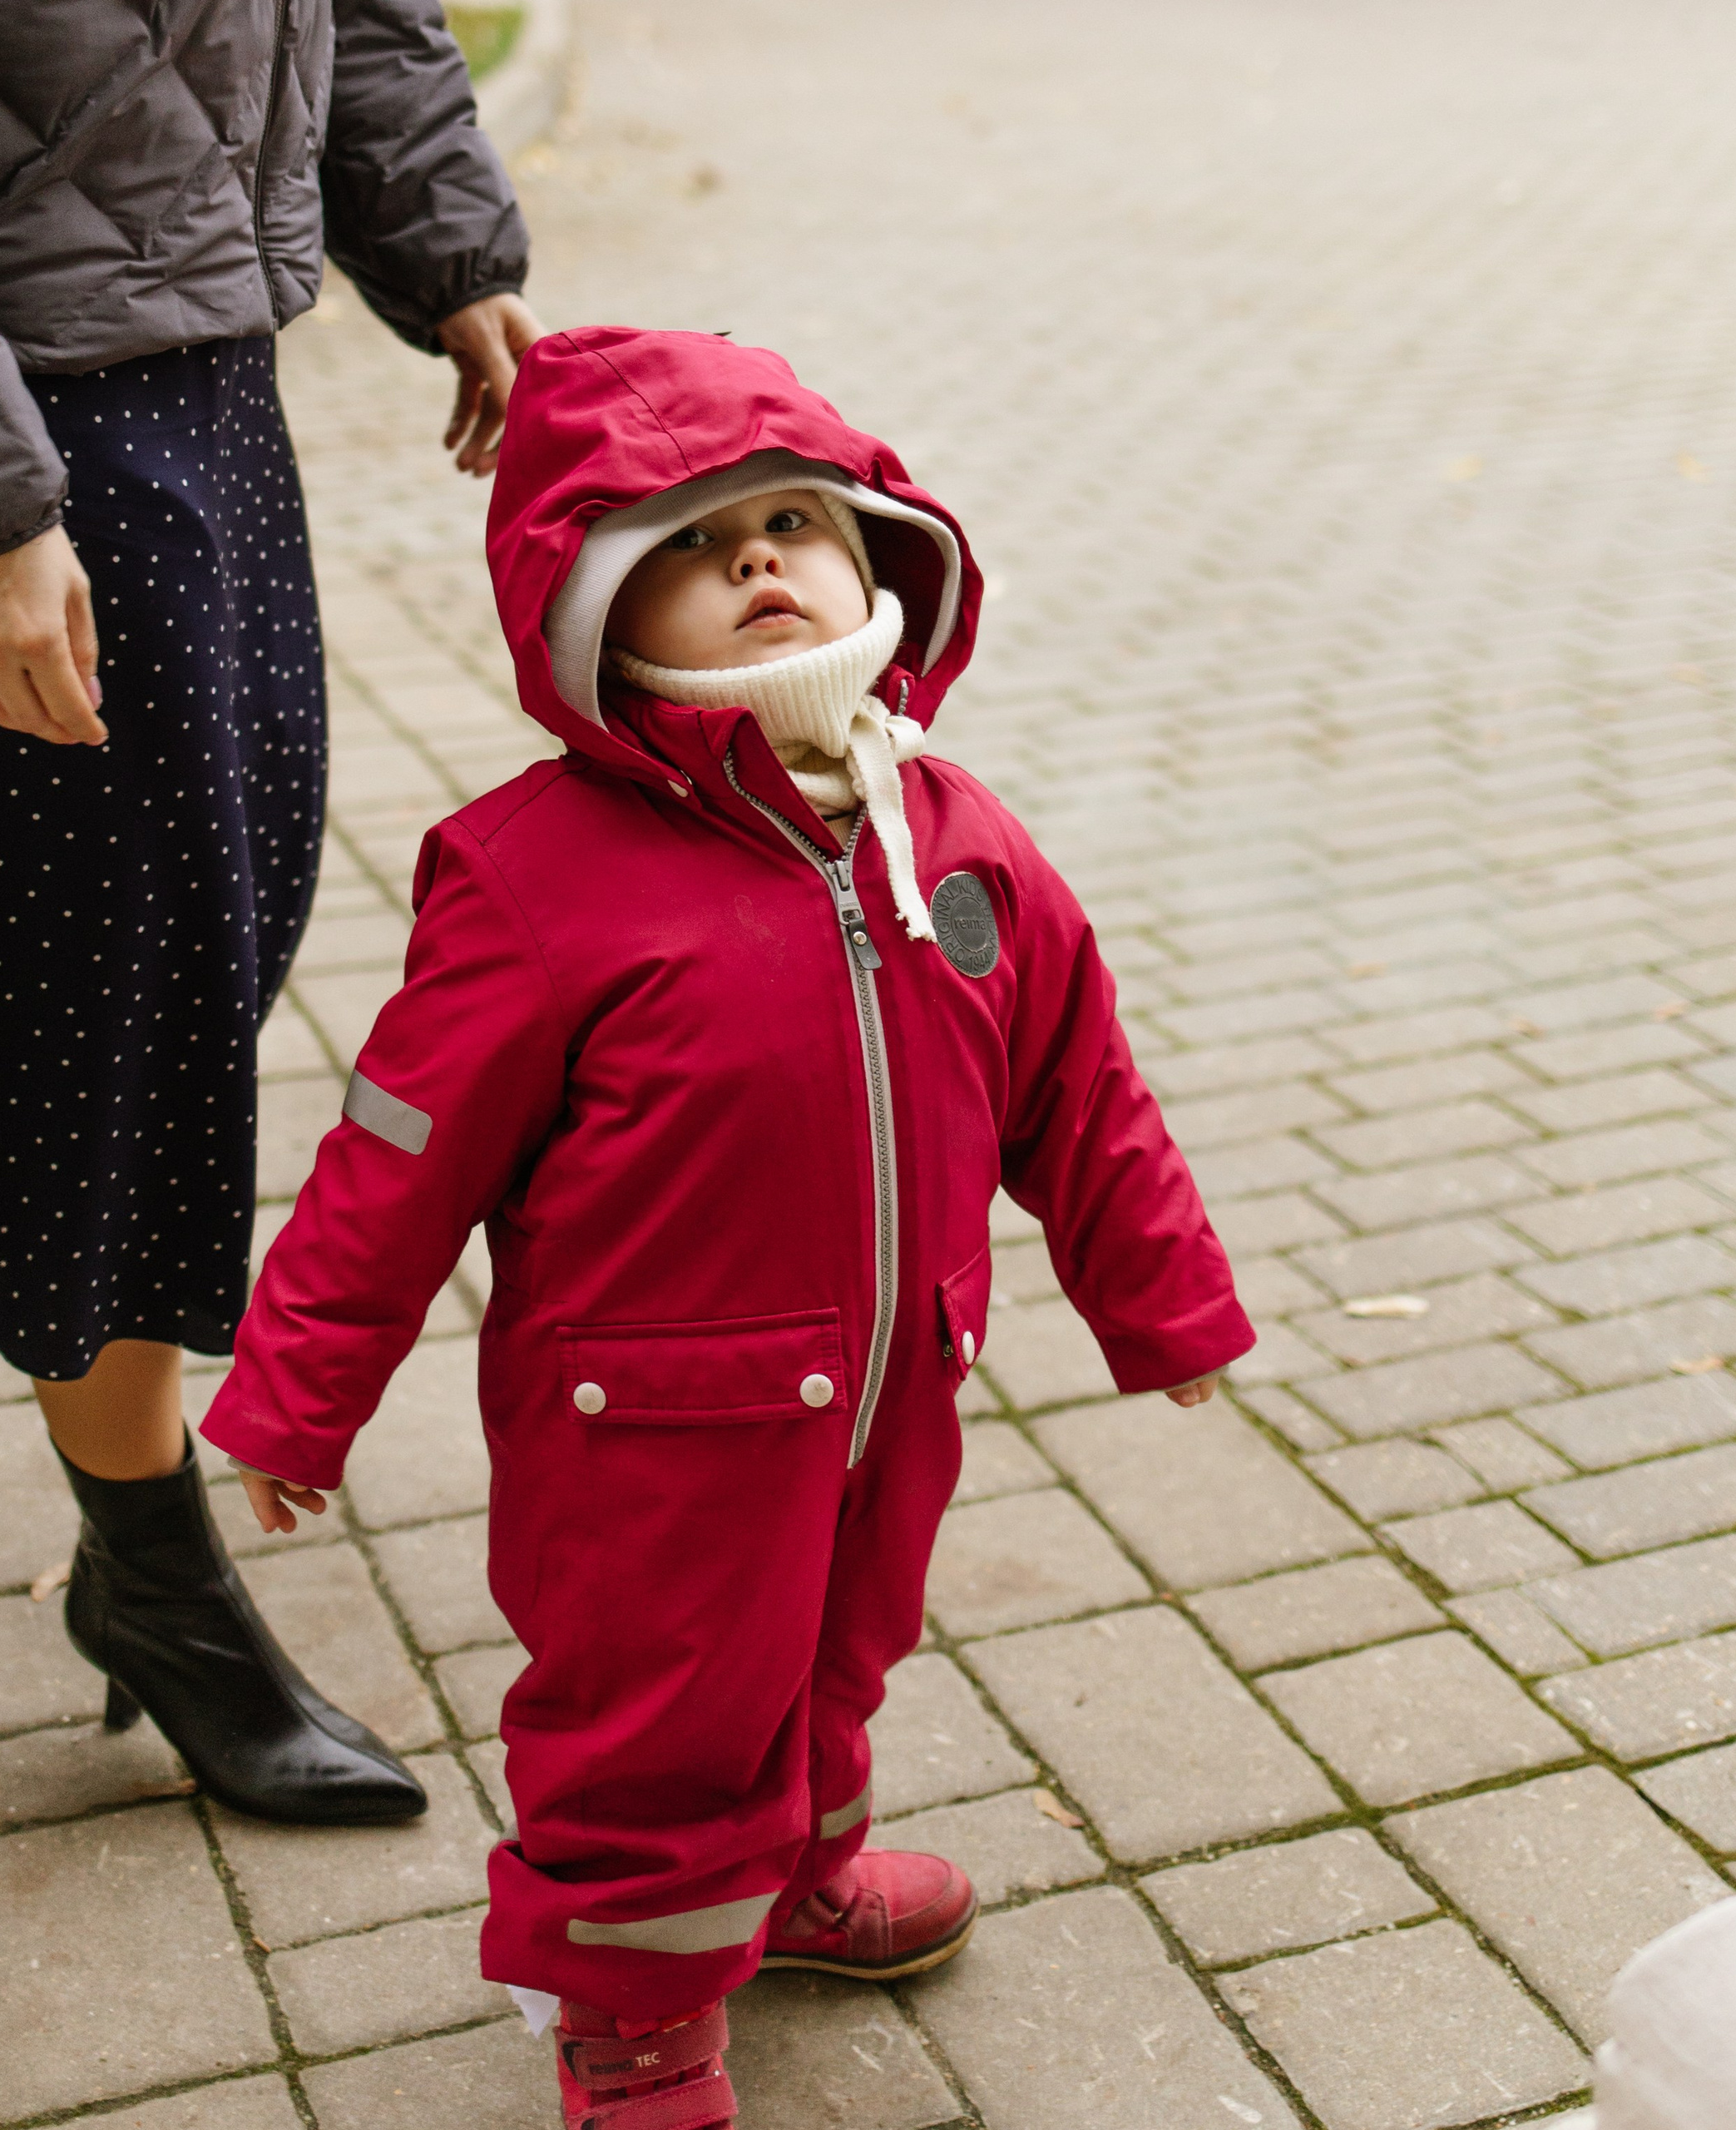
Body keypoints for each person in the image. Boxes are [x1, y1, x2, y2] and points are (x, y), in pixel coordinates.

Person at [200, 327, 1254, 2125]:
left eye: (786, 521)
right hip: (647, 1433)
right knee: (658, 1715)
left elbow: (1078, 1085)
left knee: (840, 1647)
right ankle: (629, 2009)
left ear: (874, 555)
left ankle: (796, 1877)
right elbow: (396, 1150)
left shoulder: (956, 830)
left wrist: (1165, 1303)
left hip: (892, 1372)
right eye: (689, 544)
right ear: (593, 617)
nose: (755, 561)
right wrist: (299, 1393)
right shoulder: (533, 876)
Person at [0, 0, 540, 1823]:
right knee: (38, 1010)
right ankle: (153, 1583)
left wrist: (444, 238)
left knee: (168, 973)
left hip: (202, 387)